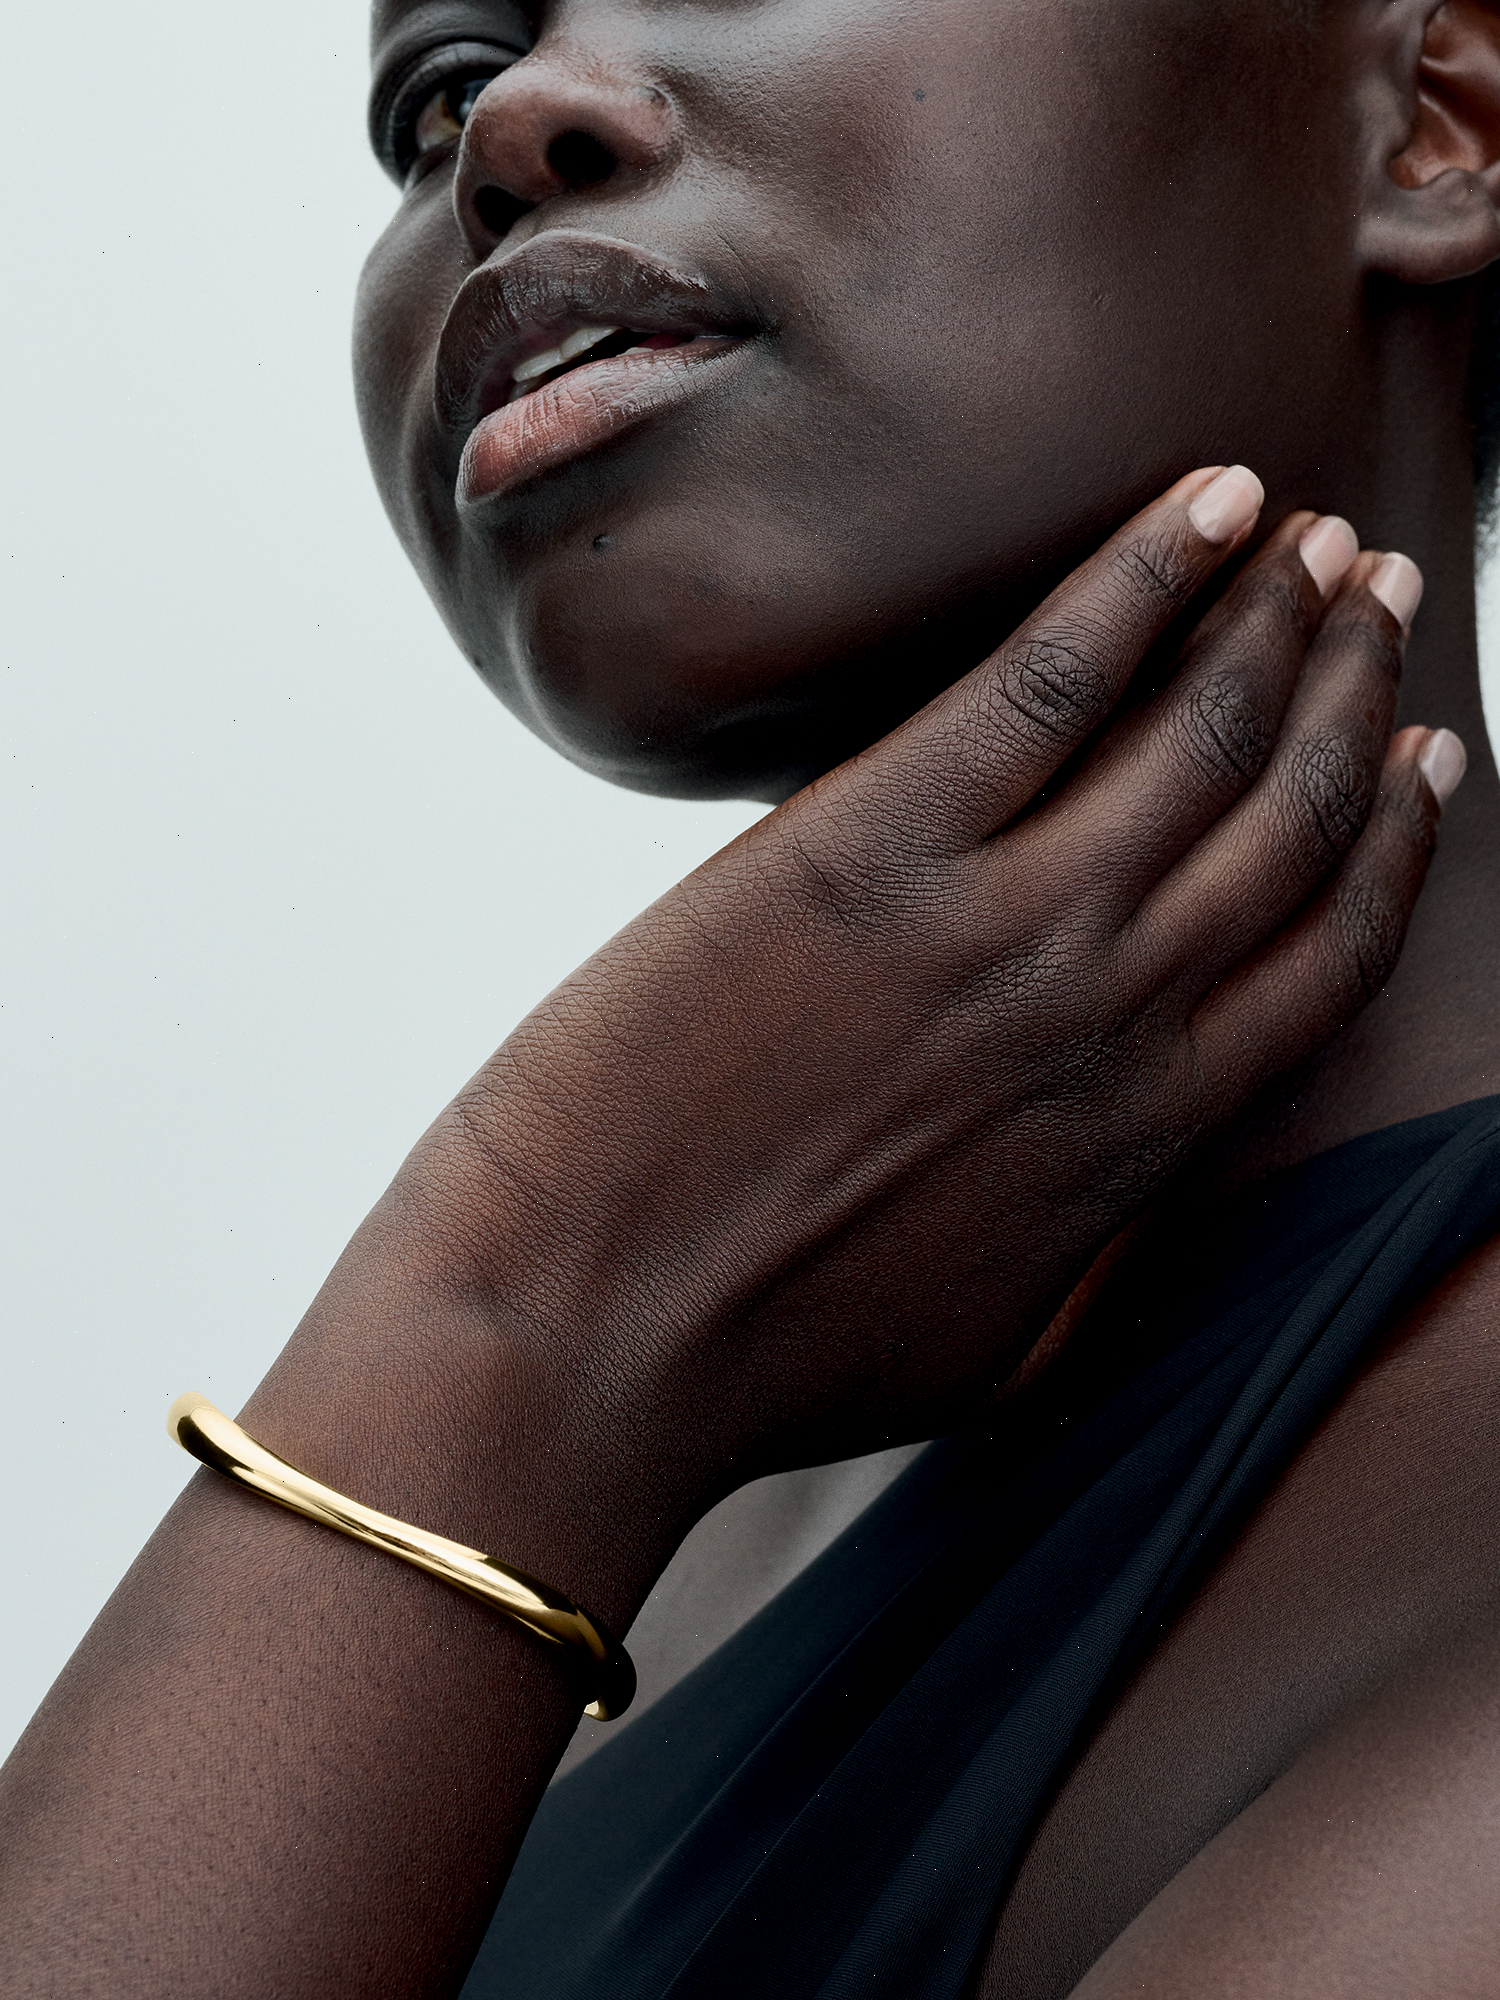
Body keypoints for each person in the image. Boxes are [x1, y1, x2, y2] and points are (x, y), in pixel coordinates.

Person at [5, 0, 1500, 1993]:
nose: (513, 122)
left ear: (1437, 113)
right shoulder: (666, 1472)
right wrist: (539, 1323)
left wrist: (522, 1300)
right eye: (432, 93)